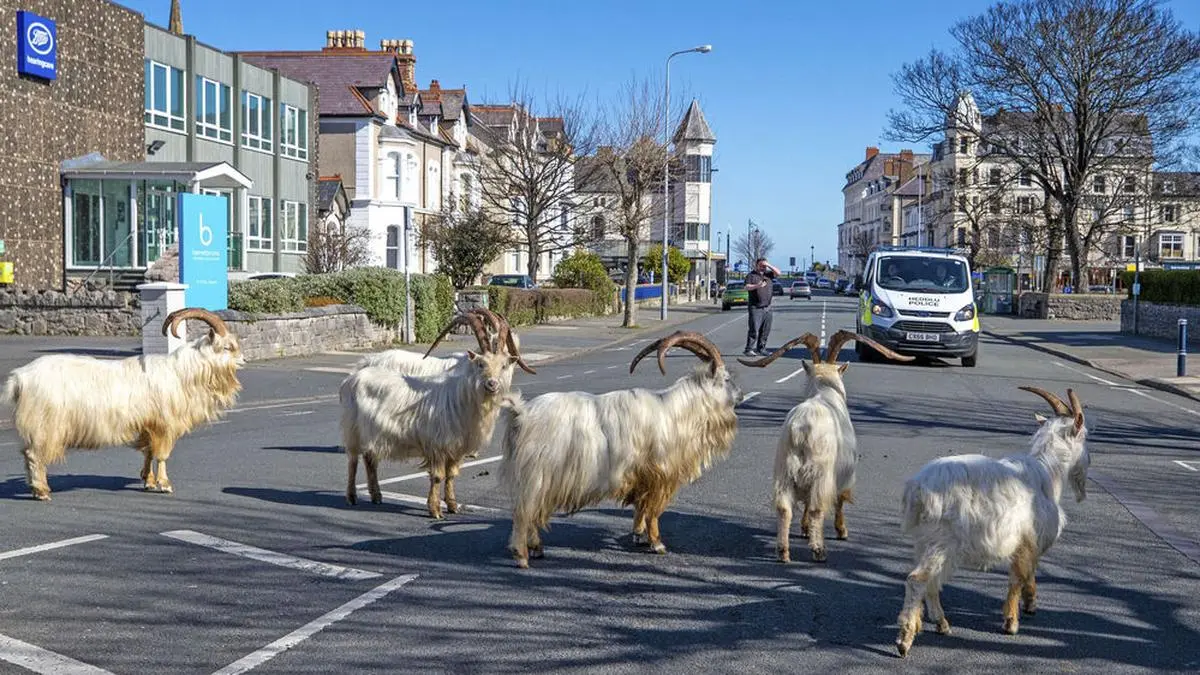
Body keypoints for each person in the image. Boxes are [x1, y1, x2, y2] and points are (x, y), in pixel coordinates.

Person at [743, 257, 780, 356]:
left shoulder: (768, 275)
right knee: (754, 329)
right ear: (756, 265)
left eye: (764, 266)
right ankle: (749, 349)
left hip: (767, 307)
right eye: (761, 265)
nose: (763, 268)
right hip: (756, 307)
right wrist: (757, 286)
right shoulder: (751, 275)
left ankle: (761, 348)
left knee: (765, 330)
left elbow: (778, 273)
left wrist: (768, 265)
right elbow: (746, 287)